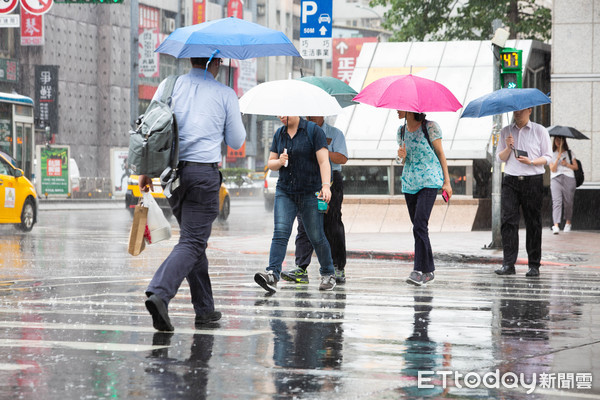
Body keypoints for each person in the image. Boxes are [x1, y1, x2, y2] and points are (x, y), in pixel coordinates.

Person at [139, 57, 246, 331]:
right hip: (202, 176)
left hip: (171, 177)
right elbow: (236, 140)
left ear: (190, 58)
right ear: (216, 63)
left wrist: (145, 171)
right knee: (193, 242)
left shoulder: (168, 85)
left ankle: (205, 309)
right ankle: (159, 292)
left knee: (193, 240)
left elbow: (149, 131)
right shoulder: (225, 94)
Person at [254, 116, 337, 293]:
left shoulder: (313, 131)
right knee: (280, 232)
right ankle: (272, 274)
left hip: (310, 192)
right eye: (278, 114)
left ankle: (328, 273)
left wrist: (325, 186)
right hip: (285, 191)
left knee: (316, 236)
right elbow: (271, 162)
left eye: (284, 113)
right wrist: (279, 162)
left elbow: (323, 161)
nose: (281, 117)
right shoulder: (279, 134)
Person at [282, 115, 348, 285]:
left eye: (313, 113)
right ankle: (301, 268)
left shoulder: (335, 133)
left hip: (331, 180)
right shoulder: (299, 133)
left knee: (332, 223)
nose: (309, 116)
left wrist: (321, 149)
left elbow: (342, 158)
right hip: (307, 180)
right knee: (304, 224)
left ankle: (337, 267)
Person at [494, 107, 552, 277]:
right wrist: (507, 147)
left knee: (533, 222)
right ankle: (508, 264)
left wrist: (531, 161)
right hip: (511, 180)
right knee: (508, 221)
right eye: (514, 110)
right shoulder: (506, 131)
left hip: (533, 180)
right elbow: (499, 158)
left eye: (521, 110)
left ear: (530, 110)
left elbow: (548, 157)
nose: (517, 113)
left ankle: (534, 265)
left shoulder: (540, 131)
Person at [396, 111, 452, 286]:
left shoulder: (430, 127)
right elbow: (402, 161)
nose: (396, 110)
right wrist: (401, 157)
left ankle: (418, 270)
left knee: (420, 224)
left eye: (400, 107)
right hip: (409, 183)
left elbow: (441, 154)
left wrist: (447, 182)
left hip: (430, 181)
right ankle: (428, 271)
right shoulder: (401, 131)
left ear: (410, 109)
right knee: (418, 227)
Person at [549, 136, 578, 234]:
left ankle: (568, 223)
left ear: (563, 141)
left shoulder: (569, 153)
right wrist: (557, 159)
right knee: (556, 201)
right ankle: (556, 225)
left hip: (569, 178)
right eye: (556, 139)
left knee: (568, 202)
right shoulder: (551, 154)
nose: (558, 141)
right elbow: (552, 169)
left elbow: (575, 167)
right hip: (556, 179)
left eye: (560, 140)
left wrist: (566, 164)